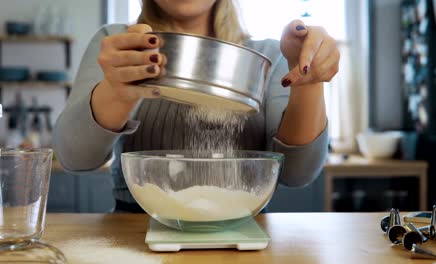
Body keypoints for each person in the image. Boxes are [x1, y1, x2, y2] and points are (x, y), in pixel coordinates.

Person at [53, 0, 340, 212]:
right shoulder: (119, 46)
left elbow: (298, 173)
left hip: (244, 236)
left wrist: (306, 76)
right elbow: (75, 158)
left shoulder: (268, 57)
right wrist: (117, 90)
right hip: (135, 233)